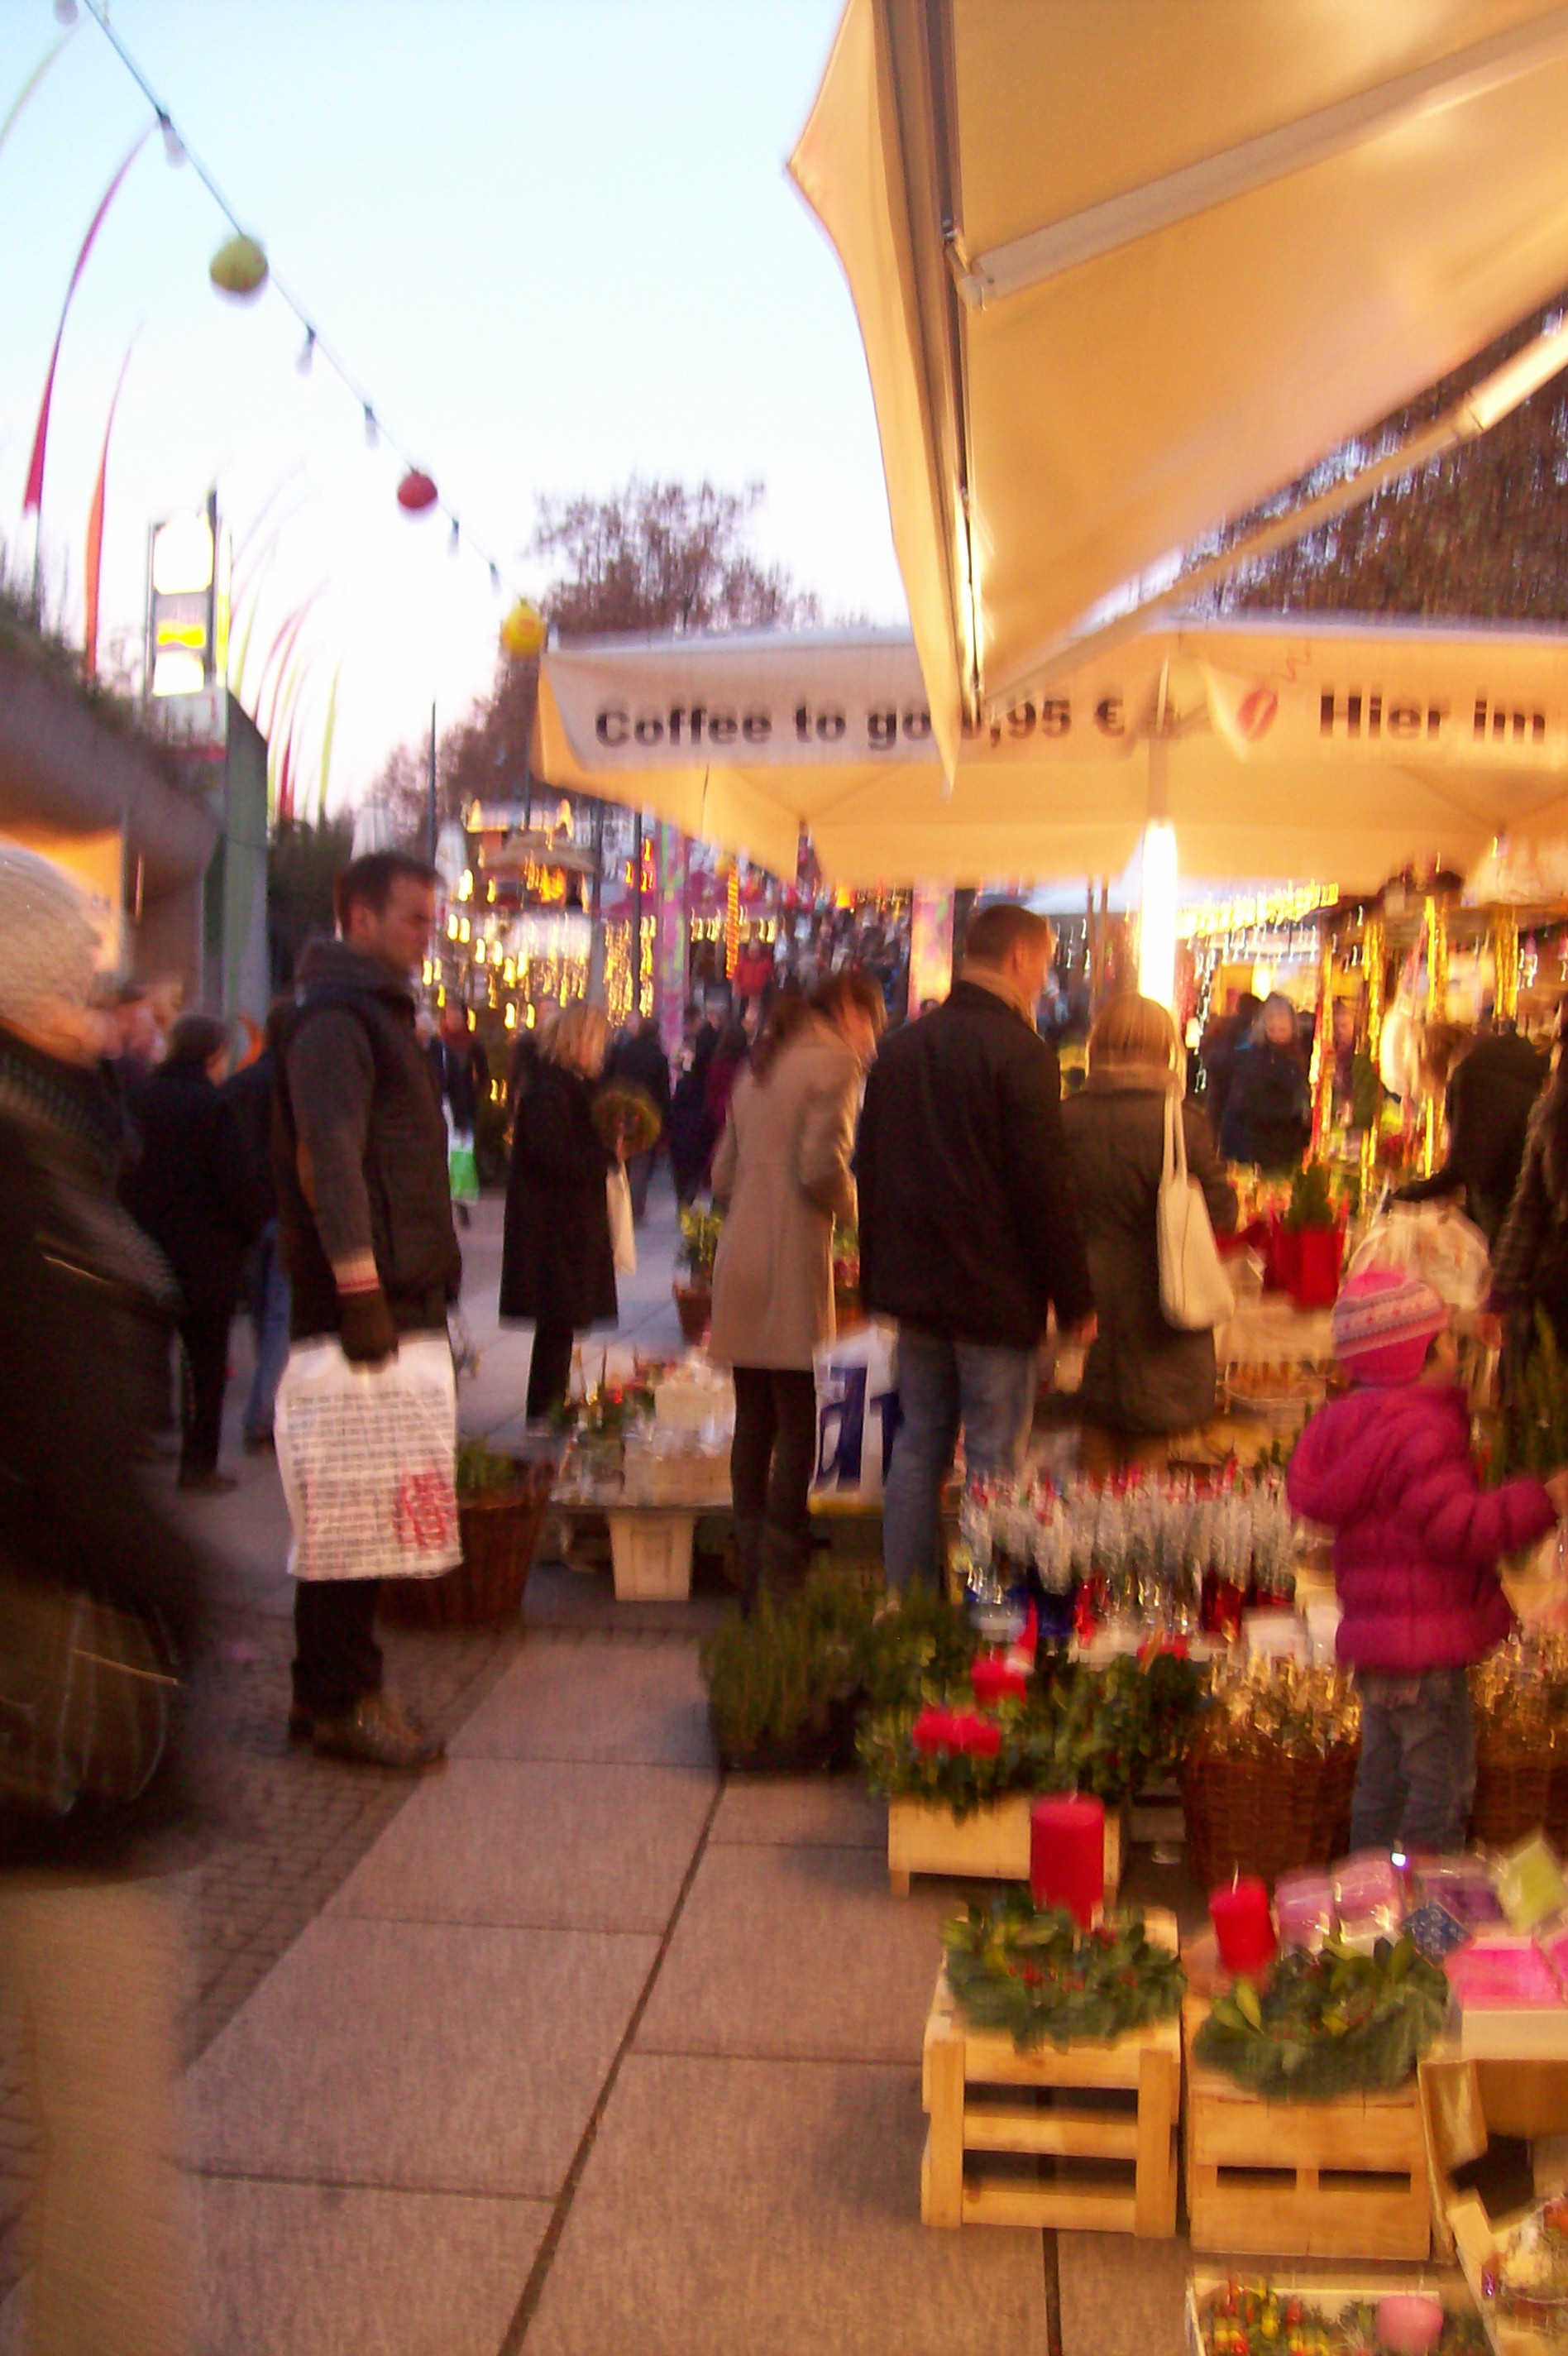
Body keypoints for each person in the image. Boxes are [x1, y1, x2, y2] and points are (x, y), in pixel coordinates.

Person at [0, 843, 211, 2354]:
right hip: (44, 1706)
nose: (124, 1012)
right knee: (103, 2125)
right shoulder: (29, 1168)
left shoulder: (63, 1143)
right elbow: (75, 1459)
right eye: (99, 984)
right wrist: (188, 1589)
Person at [275, 850, 461, 1771]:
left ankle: (325, 1693)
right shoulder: (337, 1023)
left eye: (431, 920)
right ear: (358, 914)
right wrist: (361, 1292)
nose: (428, 939)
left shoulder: (372, 1017)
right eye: (414, 921)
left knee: (356, 1507)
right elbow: (330, 1159)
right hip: (368, 1300)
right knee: (356, 1508)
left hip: (392, 1289)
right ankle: (346, 1694)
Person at [1287, 1268, 1568, 1851]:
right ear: (1419, 1353)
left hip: (1380, 1643)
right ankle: (1422, 1908)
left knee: (1382, 1781)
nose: (1455, 1350)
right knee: (1441, 1787)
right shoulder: (1421, 1431)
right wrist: (1543, 1498)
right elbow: (1461, 1528)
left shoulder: (1354, 1427)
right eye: (1446, 1339)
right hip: (1426, 1649)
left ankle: (1369, 1900)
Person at [858, 902, 1096, 1589]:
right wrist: (1074, 1296)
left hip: (918, 1295)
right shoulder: (1021, 1054)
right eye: (1044, 966)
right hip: (994, 1296)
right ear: (1019, 958)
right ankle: (986, 1612)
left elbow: (869, 1172)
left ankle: (908, 1608)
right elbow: (1043, 1189)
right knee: (994, 1460)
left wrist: (879, 1283)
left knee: (918, 1448)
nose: (1043, 982)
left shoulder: (901, 1049)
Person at [709, 971, 885, 1603]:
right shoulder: (834, 1063)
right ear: (846, 1008)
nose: (872, 1041)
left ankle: (750, 1581)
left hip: (740, 1260)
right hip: (790, 1261)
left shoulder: (761, 1062)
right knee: (800, 1424)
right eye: (872, 1023)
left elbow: (722, 1176)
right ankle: (780, 1587)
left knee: (753, 1422)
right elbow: (820, 1166)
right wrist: (864, 1213)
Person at [1060, 994, 1237, 1453]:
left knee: (1093, 1425)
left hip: (1085, 1299)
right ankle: (1138, 1526)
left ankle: (1085, 1525)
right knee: (1152, 1440)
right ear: (1166, 1049)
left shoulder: (1065, 1118)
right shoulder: (1181, 1124)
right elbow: (1222, 1212)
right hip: (1165, 1300)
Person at [123, 1011, 267, 1493]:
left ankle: (138, 1442)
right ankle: (198, 1463)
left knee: (147, 1351)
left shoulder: (140, 1098)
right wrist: (246, 1233)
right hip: (207, 1255)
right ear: (213, 1055)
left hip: (144, 1246)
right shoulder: (214, 1108)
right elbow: (238, 1185)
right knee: (205, 1365)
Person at [500, 1002, 621, 1419]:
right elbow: (550, 1155)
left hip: (565, 1223)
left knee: (561, 1325)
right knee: (556, 1323)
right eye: (597, 1041)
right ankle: (544, 1409)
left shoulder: (569, 1085)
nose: (601, 1051)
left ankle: (551, 1404)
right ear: (579, 1041)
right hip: (553, 1228)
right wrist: (604, 1155)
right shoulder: (550, 1089)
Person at [1397, 1020, 1546, 1247]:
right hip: (1532, 1205)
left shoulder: (1469, 1080)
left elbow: (1464, 1168)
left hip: (1509, 1220)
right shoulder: (1502, 1065)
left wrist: (1404, 1197)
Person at [223, 998, 292, 1450]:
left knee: (262, 1315)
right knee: (280, 1318)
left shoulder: (240, 1083)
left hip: (248, 1212)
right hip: (284, 1211)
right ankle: (264, 1411)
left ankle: (263, 1405)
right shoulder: (293, 1086)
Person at [1220, 991, 1312, 1171]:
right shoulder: (1254, 1057)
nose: (1277, 1027)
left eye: (1282, 1025)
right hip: (1260, 1147)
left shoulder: (1302, 1055)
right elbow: (1245, 1104)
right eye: (1272, 1023)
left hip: (1289, 1147)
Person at [427, 1003, 491, 1228]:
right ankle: (441, 1206)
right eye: (449, 1016)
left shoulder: (472, 1044)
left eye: (457, 1015)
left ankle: (462, 1207)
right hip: (440, 1106)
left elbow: (483, 1074)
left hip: (462, 1106)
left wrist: (475, 1096)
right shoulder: (437, 1045)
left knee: (460, 1157)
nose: (453, 1020)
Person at [604, 1014, 672, 1223]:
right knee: (642, 1158)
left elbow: (615, 1077)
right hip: (646, 1111)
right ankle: (636, 1207)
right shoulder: (658, 1057)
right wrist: (665, 1116)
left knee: (623, 1155)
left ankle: (618, 1202)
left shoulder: (626, 1052)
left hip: (624, 1106)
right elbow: (662, 1090)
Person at [667, 998, 719, 1205]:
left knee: (688, 1159)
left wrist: (687, 1066)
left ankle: (686, 1196)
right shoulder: (698, 1040)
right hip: (693, 1109)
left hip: (691, 1108)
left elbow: (695, 1071)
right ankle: (687, 1195)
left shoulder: (704, 1042)